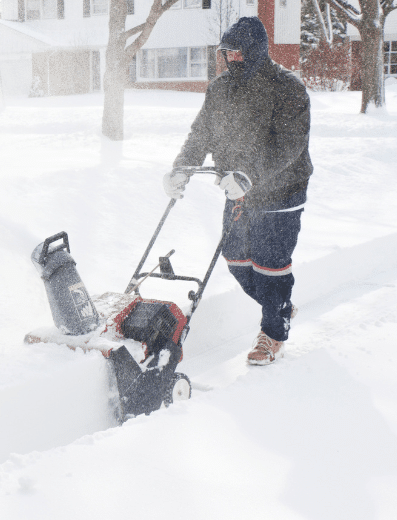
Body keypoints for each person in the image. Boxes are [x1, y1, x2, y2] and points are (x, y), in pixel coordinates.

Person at [163, 16, 313, 365]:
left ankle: (272, 333)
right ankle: (280, 306)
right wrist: (181, 167)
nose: (232, 59)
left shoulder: (287, 87)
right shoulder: (220, 89)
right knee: (237, 260)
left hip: (281, 192)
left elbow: (289, 145)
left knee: (269, 264)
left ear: (257, 52)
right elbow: (201, 134)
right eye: (227, 53)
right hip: (237, 189)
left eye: (239, 53)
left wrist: (250, 175)